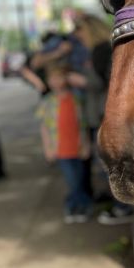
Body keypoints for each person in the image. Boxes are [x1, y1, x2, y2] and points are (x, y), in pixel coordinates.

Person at [69, 13, 134, 224]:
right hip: (102, 114)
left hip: (101, 114)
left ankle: (122, 207)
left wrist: (80, 79)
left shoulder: (100, 51)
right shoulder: (105, 49)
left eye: (79, 31)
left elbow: (101, 83)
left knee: (110, 164)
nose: (77, 36)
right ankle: (121, 204)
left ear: (88, 30)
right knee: (111, 164)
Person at [36, 63, 93, 223]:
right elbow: (45, 128)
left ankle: (81, 207)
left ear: (66, 79)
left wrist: (86, 144)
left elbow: (83, 124)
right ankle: (73, 206)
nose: (56, 81)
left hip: (78, 147)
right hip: (61, 150)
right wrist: (47, 148)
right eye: (52, 78)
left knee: (80, 179)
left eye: (59, 77)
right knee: (72, 181)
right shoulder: (48, 102)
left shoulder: (77, 99)